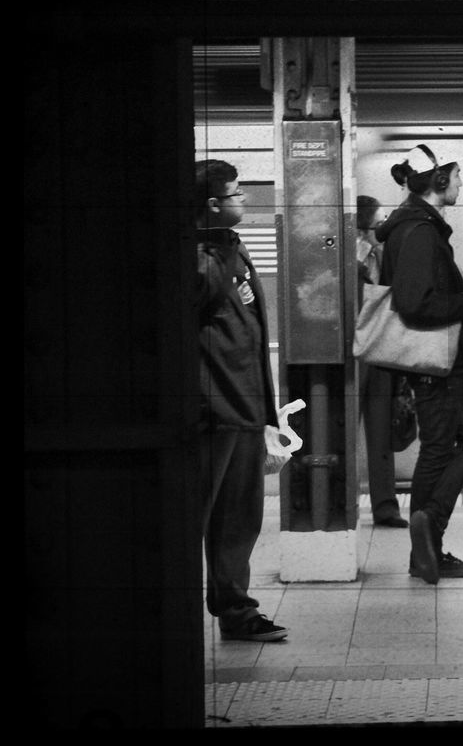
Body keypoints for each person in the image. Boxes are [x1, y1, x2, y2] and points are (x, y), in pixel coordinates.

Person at [376, 145, 463, 582]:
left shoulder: (413, 227)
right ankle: (430, 526)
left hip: (436, 362)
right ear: (439, 181)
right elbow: (414, 303)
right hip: (436, 362)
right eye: (457, 176)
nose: (461, 184)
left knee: (449, 446)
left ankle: (426, 552)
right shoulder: (420, 232)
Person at [194, 159, 289, 641]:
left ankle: (236, 611)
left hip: (244, 408)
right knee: (200, 517)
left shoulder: (229, 248)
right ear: (212, 204)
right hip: (214, 411)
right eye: (236, 192)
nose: (244, 198)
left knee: (239, 520)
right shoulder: (201, 259)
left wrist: (266, 414)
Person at [356, 195, 408, 528]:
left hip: (380, 349)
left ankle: (386, 508)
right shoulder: (352, 255)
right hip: (355, 351)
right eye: (378, 222)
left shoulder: (382, 254)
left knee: (380, 431)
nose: (382, 228)